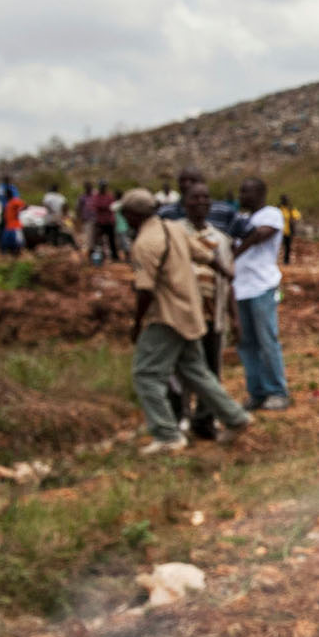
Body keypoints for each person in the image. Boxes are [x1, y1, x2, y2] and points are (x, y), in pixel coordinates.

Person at [122, 188, 252, 454]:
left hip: (167, 317)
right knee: (195, 372)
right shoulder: (174, 229)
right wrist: (226, 272)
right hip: (191, 313)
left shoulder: (145, 243)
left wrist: (136, 324)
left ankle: (167, 434)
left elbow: (145, 290)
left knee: (146, 374)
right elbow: (205, 254)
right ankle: (235, 417)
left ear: (133, 215)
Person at [171, 179, 235, 439]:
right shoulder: (175, 234)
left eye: (206, 198)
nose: (201, 203)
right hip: (183, 316)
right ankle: (180, 418)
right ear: (184, 203)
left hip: (212, 316)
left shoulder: (221, 240)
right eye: (195, 198)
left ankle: (205, 421)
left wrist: (235, 317)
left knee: (211, 370)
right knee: (182, 369)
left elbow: (228, 282)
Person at [230, 177, 289, 411]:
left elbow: (259, 236)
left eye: (246, 191)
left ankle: (277, 391)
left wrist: (232, 254)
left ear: (261, 193)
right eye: (241, 190)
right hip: (239, 289)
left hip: (261, 288)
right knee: (246, 344)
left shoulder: (271, 214)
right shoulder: (243, 219)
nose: (241, 195)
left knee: (267, 341)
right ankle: (256, 392)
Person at [90, 183, 120, 263]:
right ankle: (98, 257)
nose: (102, 188)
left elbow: (112, 207)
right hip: (100, 222)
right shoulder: (96, 196)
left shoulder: (109, 196)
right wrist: (104, 207)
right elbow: (95, 206)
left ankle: (115, 257)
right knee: (97, 241)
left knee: (111, 241)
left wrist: (104, 207)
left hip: (109, 222)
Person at [0, 187, 25, 256]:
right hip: (9, 225)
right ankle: (6, 253)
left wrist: (18, 212)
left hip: (15, 225)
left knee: (18, 241)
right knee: (5, 241)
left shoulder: (15, 201)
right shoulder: (8, 202)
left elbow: (24, 206)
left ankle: (17, 253)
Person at [278, 194, 301, 264]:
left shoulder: (291, 209)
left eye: (287, 200)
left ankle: (286, 261)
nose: (286, 201)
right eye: (285, 200)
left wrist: (293, 222)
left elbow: (297, 217)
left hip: (288, 231)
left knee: (287, 247)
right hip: (279, 231)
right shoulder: (278, 208)